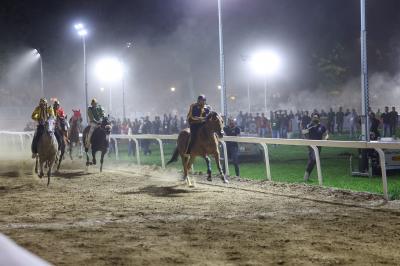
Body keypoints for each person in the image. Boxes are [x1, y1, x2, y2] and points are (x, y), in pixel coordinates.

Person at [302, 113, 328, 181]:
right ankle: (306, 177)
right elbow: (303, 133)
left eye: (316, 117)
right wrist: (307, 141)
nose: (315, 118)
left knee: (314, 160)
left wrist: (325, 139)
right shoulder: (309, 126)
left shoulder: (322, 126)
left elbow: (326, 134)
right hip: (311, 146)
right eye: (314, 117)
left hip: (319, 146)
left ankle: (306, 176)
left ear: (319, 118)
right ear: (311, 118)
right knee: (313, 159)